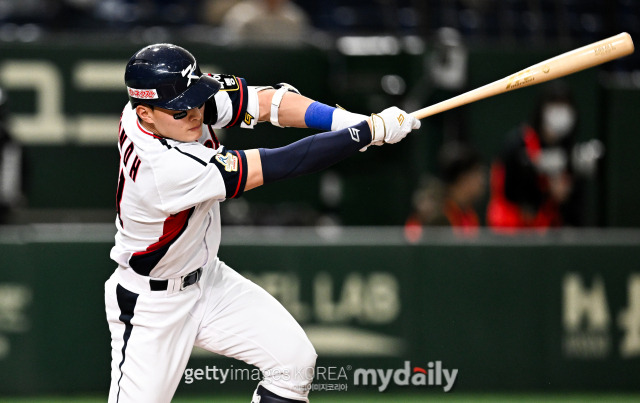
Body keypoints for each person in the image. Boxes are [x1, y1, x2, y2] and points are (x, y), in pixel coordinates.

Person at [105, 43, 420, 403]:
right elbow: (279, 164)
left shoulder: (166, 107)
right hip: (151, 305)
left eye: (196, 99)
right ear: (144, 114)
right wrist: (364, 134)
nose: (194, 113)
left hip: (207, 280)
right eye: (181, 110)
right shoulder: (163, 169)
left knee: (293, 363)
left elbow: (269, 104)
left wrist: (344, 120)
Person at [486, 82, 583, 231]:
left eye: (564, 105)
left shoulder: (568, 148)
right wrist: (542, 185)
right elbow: (508, 191)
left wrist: (563, 193)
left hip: (548, 232)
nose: (559, 112)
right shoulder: (518, 143)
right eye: (554, 104)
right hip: (513, 230)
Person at [404, 141, 485, 239]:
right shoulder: (432, 215)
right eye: (476, 174)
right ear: (462, 178)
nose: (481, 180)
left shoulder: (468, 214)